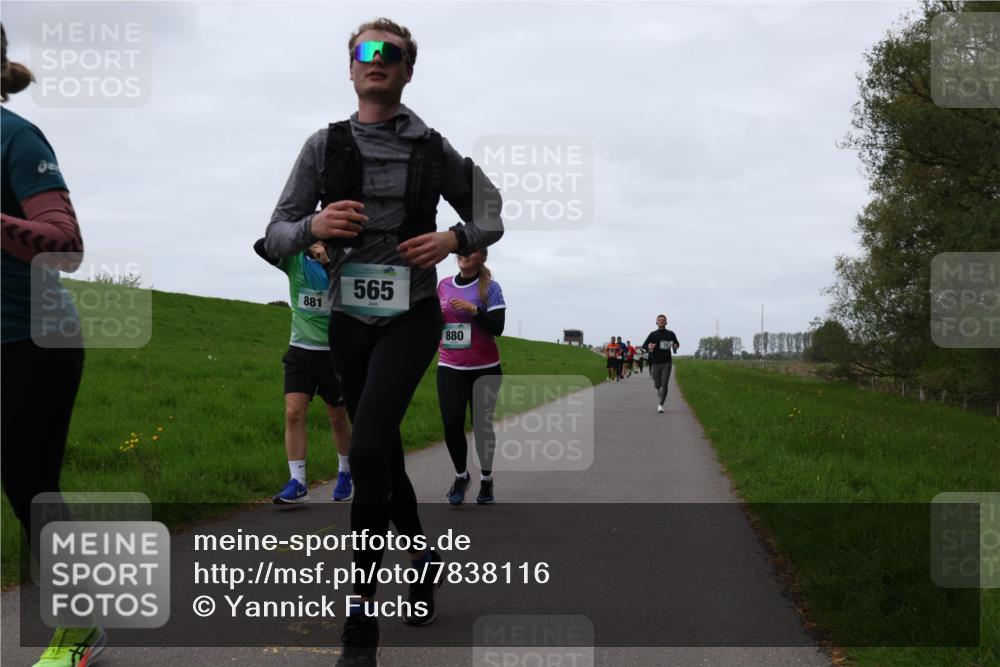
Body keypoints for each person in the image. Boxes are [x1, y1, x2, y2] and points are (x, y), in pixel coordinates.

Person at [263, 18, 502, 666]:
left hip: (413, 315)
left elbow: (492, 210)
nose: (377, 60)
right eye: (365, 51)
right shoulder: (324, 146)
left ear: (406, 69)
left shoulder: (432, 149)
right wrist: (314, 220)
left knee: (366, 445)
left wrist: (453, 240)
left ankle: (360, 620)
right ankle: (422, 556)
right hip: (346, 320)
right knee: (383, 452)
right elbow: (275, 230)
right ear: (350, 67)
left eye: (390, 53)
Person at [0, 24, 107, 667]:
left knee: (29, 482)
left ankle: (80, 622)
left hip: (36, 339)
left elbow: (65, 244)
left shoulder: (16, 136)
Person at [254, 238, 353, 504]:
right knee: (293, 412)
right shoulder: (293, 261)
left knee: (337, 417)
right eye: (314, 236)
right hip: (300, 350)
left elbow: (349, 294)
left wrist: (329, 262)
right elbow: (261, 245)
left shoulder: (343, 261)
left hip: (334, 352)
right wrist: (295, 238)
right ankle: (297, 482)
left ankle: (345, 471)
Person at [436, 249, 505, 505]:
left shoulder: (490, 288)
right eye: (461, 251)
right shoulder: (443, 286)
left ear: (483, 258)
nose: (464, 255)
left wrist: (474, 310)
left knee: (481, 426)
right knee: (452, 423)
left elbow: (498, 327)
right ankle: (461, 476)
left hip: (485, 368)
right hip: (450, 367)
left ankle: (486, 480)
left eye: (471, 251)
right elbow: (434, 321)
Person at [641, 314, 680, 413]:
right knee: (657, 384)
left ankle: (660, 405)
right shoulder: (653, 334)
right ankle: (658, 389)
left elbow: (677, 344)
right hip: (655, 362)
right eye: (659, 320)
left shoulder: (671, 334)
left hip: (667, 362)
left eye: (663, 320)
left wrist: (675, 346)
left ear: (666, 322)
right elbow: (644, 345)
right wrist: (649, 347)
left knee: (665, 383)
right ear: (657, 322)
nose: (661, 321)